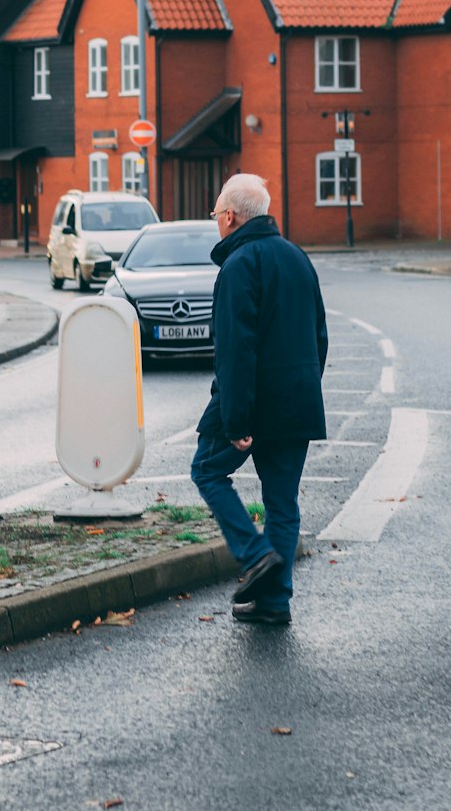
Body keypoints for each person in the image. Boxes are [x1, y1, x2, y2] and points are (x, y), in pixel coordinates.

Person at [190, 173, 327, 625]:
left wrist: (236, 419)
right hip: (297, 402)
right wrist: (303, 389)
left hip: (252, 401)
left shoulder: (238, 264)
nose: (216, 222)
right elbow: (319, 336)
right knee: (282, 505)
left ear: (229, 216)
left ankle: (253, 555)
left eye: (215, 214)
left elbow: (235, 349)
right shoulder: (297, 257)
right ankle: (274, 603)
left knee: (207, 470)